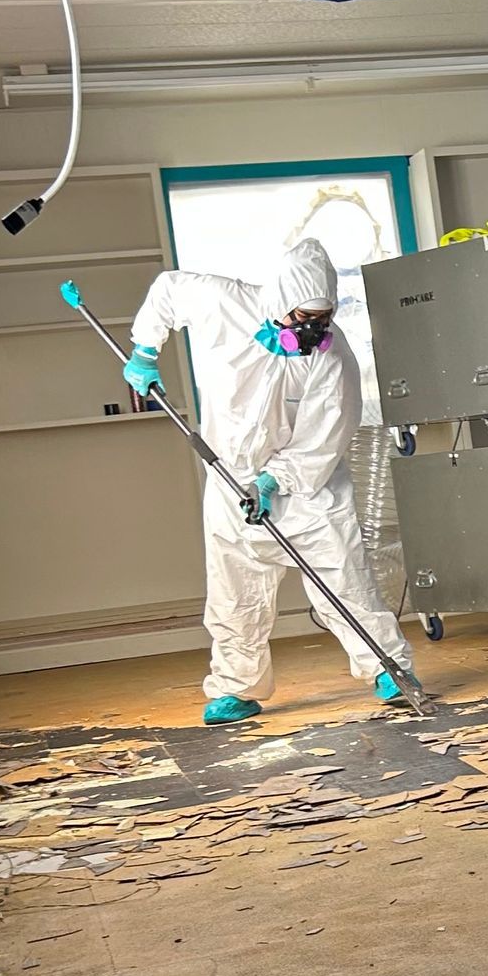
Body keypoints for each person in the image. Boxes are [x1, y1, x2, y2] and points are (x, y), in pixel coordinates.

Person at [122, 239, 414, 727]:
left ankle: (389, 668)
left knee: (346, 579)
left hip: (307, 486)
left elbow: (325, 437)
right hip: (228, 478)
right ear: (279, 303)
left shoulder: (332, 356)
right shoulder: (225, 303)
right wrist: (145, 350)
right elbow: (168, 290)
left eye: (322, 320)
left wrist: (273, 481)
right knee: (235, 589)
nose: (312, 331)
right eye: (303, 318)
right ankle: (238, 686)